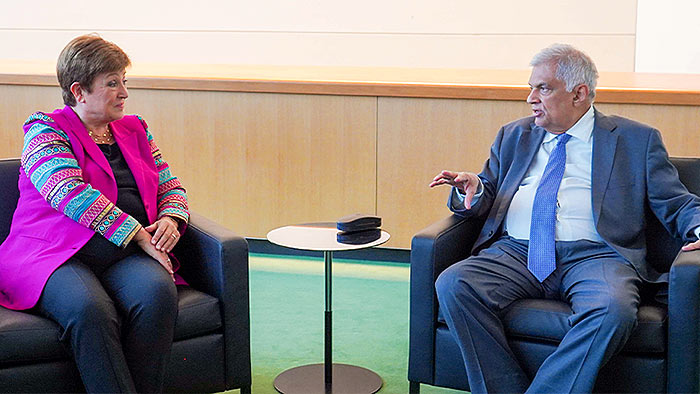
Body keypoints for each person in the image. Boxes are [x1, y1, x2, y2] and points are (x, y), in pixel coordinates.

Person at [429, 43, 700, 393]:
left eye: (543, 88)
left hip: (597, 255)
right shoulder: (514, 135)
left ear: (579, 93)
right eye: (531, 87)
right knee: (455, 284)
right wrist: (475, 188)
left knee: (612, 310)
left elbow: (675, 201)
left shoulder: (635, 140)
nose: (530, 98)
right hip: (516, 253)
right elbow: (489, 191)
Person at [0, 34, 189, 393]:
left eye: (124, 82)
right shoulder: (44, 130)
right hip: (52, 254)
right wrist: (137, 233)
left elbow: (170, 186)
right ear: (79, 90)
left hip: (120, 254)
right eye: (112, 83)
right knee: (90, 309)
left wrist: (171, 219)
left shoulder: (136, 129)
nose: (124, 93)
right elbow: (67, 192)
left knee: (158, 295)